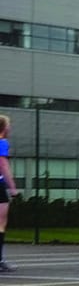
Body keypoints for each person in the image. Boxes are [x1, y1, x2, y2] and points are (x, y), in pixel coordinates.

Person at [0, 115, 18, 272]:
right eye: (9, 125)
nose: (10, 128)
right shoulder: (2, 143)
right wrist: (12, 187)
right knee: (1, 223)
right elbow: (3, 165)